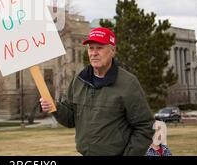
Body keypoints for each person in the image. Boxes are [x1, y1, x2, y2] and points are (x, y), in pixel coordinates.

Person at [40, 27, 154, 156]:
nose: (93, 53)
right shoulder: (79, 80)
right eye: (91, 48)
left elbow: (145, 127)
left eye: (99, 48)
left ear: (112, 50)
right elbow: (70, 119)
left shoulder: (128, 83)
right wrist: (54, 106)